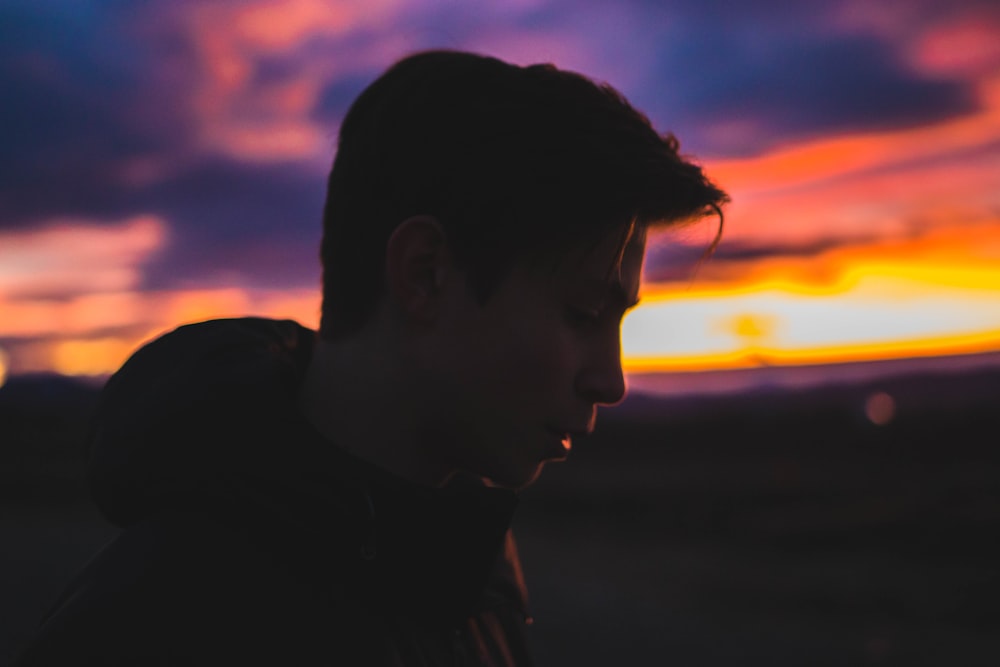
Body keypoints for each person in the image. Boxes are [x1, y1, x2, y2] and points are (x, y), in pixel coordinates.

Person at [13, 50, 728, 666]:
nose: (612, 380)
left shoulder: (470, 575)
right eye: (582, 314)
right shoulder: (150, 629)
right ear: (424, 274)